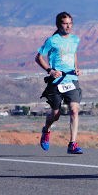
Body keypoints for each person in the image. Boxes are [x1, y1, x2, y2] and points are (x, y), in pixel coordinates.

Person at [35, 11, 84, 154]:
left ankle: (72, 144)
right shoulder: (52, 40)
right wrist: (50, 71)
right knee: (56, 114)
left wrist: (76, 68)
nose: (68, 26)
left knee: (74, 110)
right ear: (58, 25)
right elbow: (38, 57)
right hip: (56, 81)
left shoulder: (75, 39)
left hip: (71, 79)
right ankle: (46, 130)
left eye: (70, 23)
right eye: (65, 23)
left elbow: (73, 54)